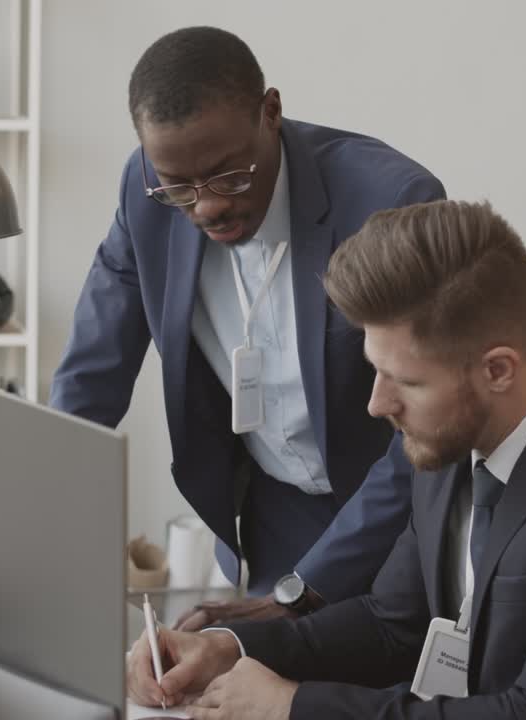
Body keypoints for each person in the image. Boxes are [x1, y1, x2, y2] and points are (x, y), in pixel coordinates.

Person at [127, 199, 526, 719]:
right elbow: (393, 625)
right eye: (375, 372)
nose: (378, 404)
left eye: (403, 382)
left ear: (497, 369)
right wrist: (228, 649)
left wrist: (294, 708)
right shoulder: (455, 431)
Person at [50, 26, 445, 628]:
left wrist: (300, 594)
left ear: (272, 112)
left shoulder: (389, 201)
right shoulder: (144, 191)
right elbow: (91, 373)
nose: (205, 206)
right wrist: (37, 519)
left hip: (397, 515)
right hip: (272, 513)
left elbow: (424, 428)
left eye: (228, 175)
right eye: (179, 187)